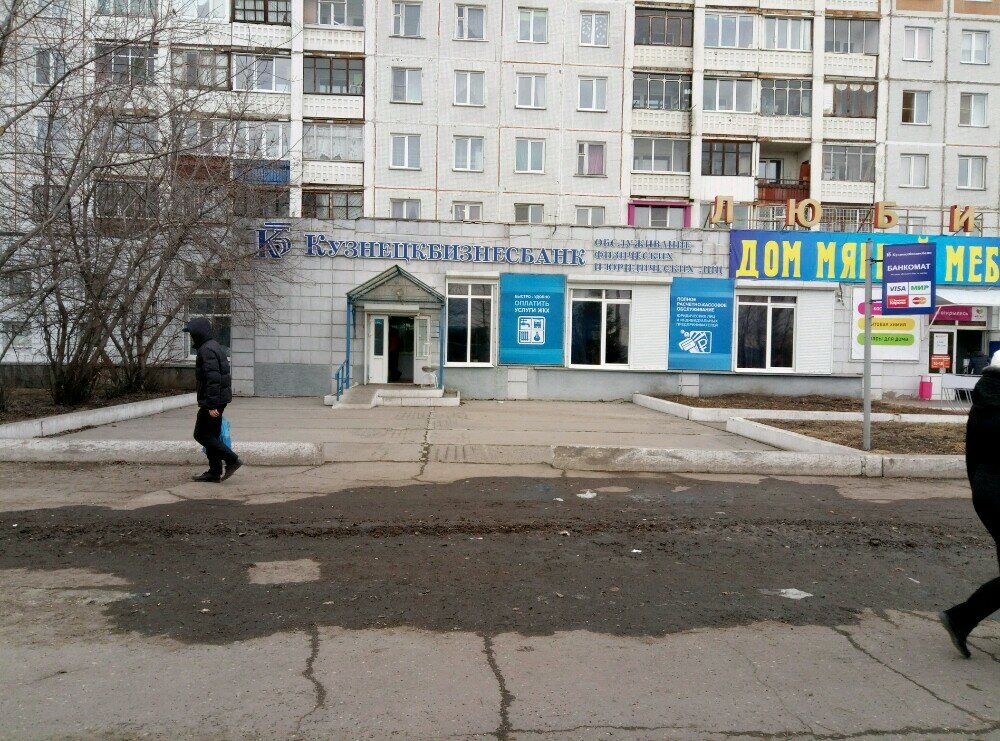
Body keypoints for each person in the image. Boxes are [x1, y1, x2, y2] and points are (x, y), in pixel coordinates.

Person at [940, 348, 1000, 657]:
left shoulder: (981, 403)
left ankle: (962, 620)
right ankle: (961, 618)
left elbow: (971, 454)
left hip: (986, 491)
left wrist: (978, 488)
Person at [183, 317, 242, 483]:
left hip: (213, 402)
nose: (191, 337)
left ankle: (232, 460)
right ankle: (215, 471)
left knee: (201, 434)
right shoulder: (212, 346)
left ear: (199, 333)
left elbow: (213, 379)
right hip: (217, 400)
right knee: (212, 436)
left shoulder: (206, 350)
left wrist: (211, 405)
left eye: (192, 334)